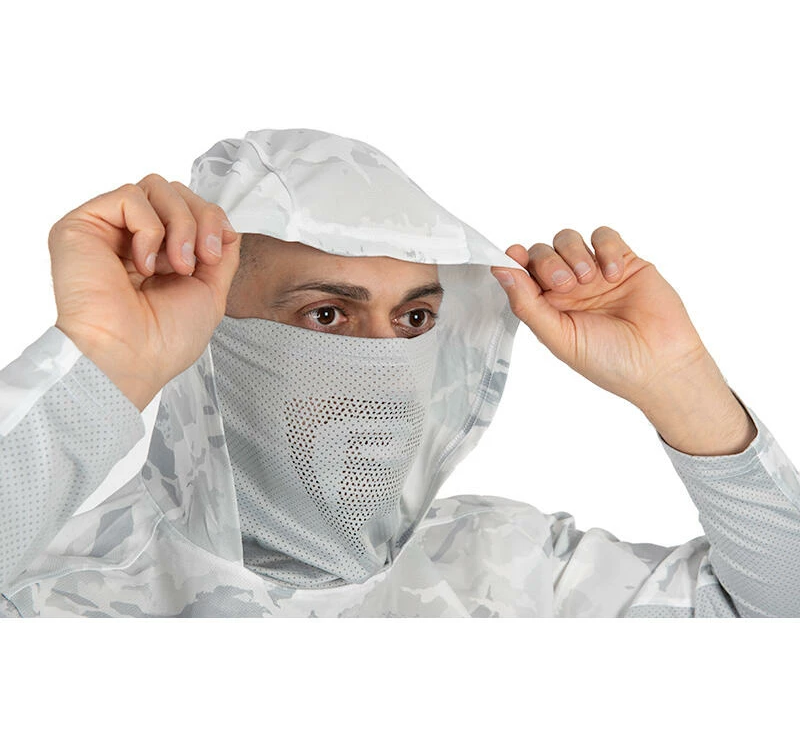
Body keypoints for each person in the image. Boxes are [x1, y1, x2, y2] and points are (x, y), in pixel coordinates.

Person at [1, 127, 798, 617]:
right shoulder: (54, 594)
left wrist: (680, 382)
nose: (385, 370)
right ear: (207, 336)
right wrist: (101, 355)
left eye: (414, 320)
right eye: (326, 317)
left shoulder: (513, 571)